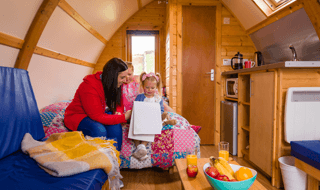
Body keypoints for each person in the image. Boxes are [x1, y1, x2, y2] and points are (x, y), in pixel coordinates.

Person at [64, 57, 132, 152]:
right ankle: (100, 162)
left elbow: (118, 102)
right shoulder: (89, 86)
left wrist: (118, 112)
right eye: (122, 77)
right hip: (79, 116)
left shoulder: (114, 83)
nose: (125, 80)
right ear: (112, 76)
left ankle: (115, 160)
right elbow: (97, 116)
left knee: (115, 127)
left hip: (100, 111)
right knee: (99, 130)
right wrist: (124, 117)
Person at [131, 72, 164, 161]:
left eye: (152, 88)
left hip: (151, 120)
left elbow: (161, 111)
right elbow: (135, 108)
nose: (149, 90)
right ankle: (141, 150)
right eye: (147, 87)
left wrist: (156, 114)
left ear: (156, 87)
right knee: (134, 128)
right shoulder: (140, 97)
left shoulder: (158, 99)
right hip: (140, 119)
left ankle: (142, 147)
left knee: (151, 128)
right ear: (143, 86)